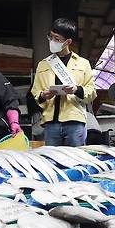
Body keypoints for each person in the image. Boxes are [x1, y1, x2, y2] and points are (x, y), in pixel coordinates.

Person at [31, 18, 96, 146]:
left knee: (76, 160)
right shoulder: (43, 64)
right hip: (50, 123)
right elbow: (35, 91)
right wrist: (43, 95)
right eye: (51, 37)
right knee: (53, 161)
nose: (52, 41)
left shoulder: (83, 63)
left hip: (75, 121)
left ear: (68, 42)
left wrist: (76, 89)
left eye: (57, 39)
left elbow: (92, 92)